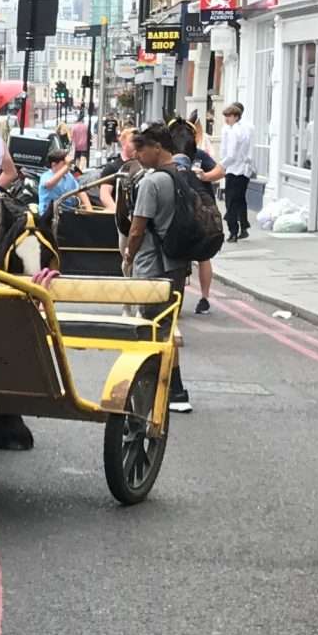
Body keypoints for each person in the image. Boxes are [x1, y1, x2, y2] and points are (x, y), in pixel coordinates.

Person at [119, 120, 193, 414]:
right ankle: (176, 390)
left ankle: (154, 390)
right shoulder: (182, 175)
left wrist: (128, 256)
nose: (137, 155)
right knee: (166, 327)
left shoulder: (151, 182)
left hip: (152, 266)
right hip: (177, 264)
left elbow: (136, 230)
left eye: (141, 149)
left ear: (157, 147)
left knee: (150, 328)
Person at [171, 117, 224, 313]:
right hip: (178, 207)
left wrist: (205, 176)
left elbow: (221, 170)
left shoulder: (200, 156)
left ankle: (204, 297)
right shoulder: (168, 156)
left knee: (204, 255)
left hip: (201, 209)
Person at [217, 101, 256, 241]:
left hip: (234, 169)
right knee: (239, 199)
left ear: (236, 116)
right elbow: (249, 149)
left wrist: (221, 165)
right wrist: (250, 165)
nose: (226, 119)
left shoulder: (232, 131)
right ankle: (243, 225)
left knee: (231, 201)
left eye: (228, 115)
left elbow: (230, 153)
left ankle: (233, 230)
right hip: (244, 169)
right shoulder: (247, 128)